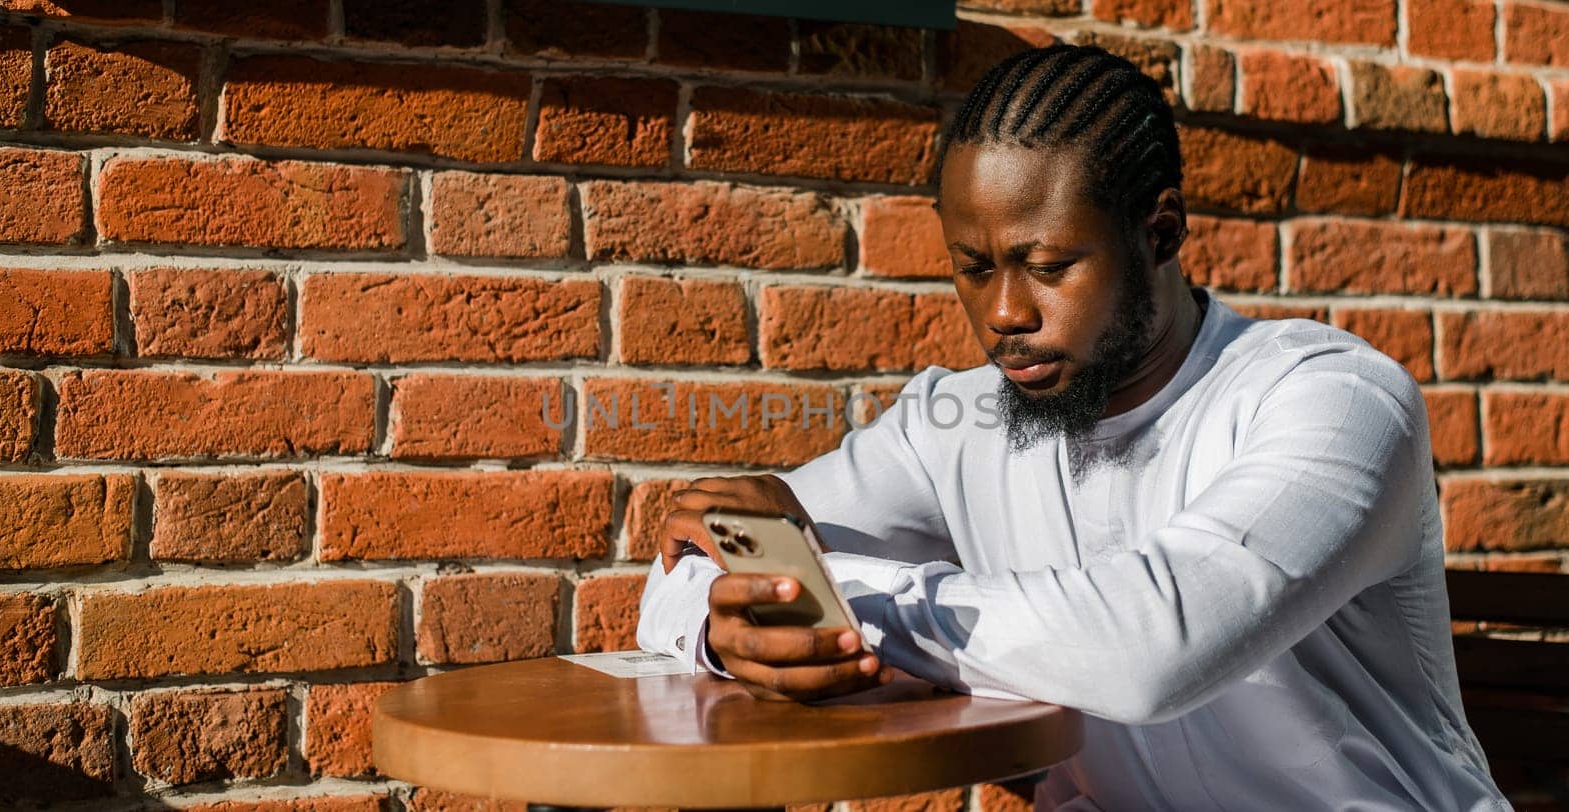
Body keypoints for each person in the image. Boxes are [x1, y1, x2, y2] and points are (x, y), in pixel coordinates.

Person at [634, 43, 1509, 810]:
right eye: (974, 269)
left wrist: (834, 593)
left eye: (1048, 265)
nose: (1005, 311)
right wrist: (726, 624)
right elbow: (678, 575)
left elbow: (1153, 648)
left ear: (1159, 232)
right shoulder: (957, 421)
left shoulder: (1332, 400)